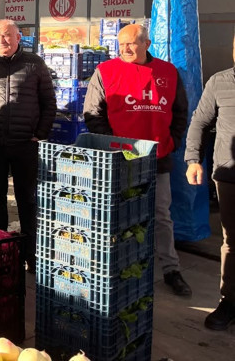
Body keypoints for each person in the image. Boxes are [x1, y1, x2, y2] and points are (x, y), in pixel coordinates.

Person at [83, 24, 191, 296]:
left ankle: (171, 269)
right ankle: (121, 265)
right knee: (119, 215)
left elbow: (181, 113)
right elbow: (93, 115)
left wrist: (173, 141)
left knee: (161, 215)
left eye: (131, 44)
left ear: (147, 43)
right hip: (120, 160)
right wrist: (114, 145)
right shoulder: (105, 72)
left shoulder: (168, 72)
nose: (126, 49)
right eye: (122, 45)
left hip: (159, 159)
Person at [0, 19, 56, 270]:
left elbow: (49, 103)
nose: (1, 41)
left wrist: (40, 133)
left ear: (19, 37)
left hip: (25, 145)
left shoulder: (35, 64)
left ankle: (30, 255)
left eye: (6, 36)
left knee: (26, 200)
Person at [185, 34, 235, 329]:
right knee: (231, 241)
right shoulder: (219, 82)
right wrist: (193, 160)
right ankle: (229, 300)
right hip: (228, 175)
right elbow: (200, 121)